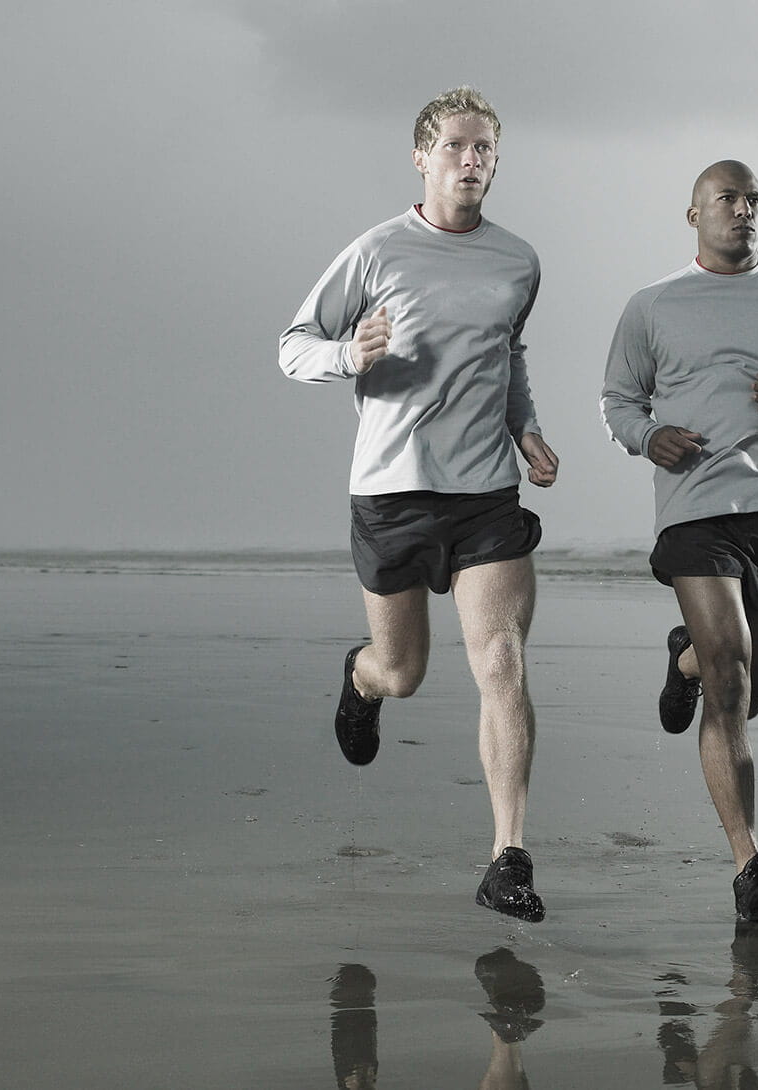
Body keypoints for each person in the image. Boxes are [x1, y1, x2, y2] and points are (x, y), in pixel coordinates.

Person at [278, 87, 559, 922]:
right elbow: (292, 347)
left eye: (485, 150)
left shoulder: (519, 261)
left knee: (501, 661)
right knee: (405, 672)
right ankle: (361, 680)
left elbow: (507, 357)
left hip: (485, 498)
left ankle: (508, 856)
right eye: (456, 147)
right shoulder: (375, 252)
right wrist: (348, 353)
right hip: (393, 491)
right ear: (422, 157)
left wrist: (529, 430)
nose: (471, 161)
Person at [602, 160, 758, 921]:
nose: (742, 210)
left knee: (749, 692)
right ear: (694, 214)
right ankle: (750, 864)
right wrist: (648, 437)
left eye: (753, 200)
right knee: (732, 676)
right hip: (693, 504)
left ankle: (683, 658)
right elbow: (618, 401)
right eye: (727, 199)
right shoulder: (652, 307)